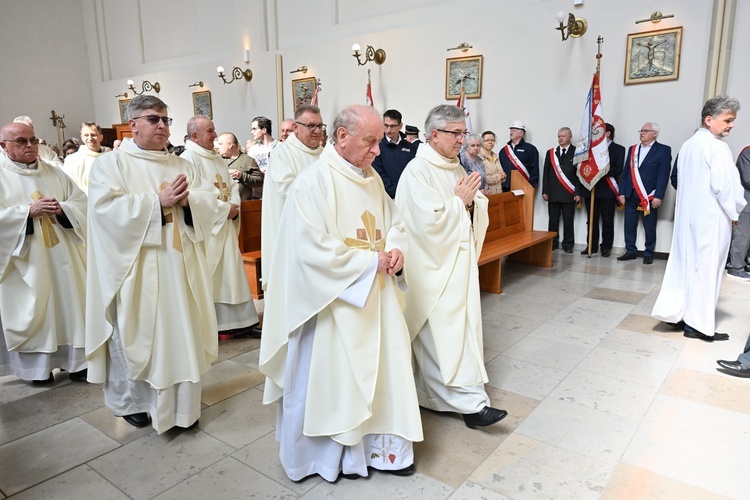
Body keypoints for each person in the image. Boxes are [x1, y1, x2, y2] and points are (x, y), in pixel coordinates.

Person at [259, 104, 423, 482]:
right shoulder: (313, 182)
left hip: (377, 298)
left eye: (379, 141)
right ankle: (334, 457)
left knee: (384, 373)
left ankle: (385, 453)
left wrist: (397, 250)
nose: (377, 151)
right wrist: (368, 264)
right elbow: (307, 249)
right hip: (333, 305)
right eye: (370, 141)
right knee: (337, 380)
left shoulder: (372, 180)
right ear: (343, 136)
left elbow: (395, 222)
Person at [86, 95, 224, 432]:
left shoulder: (183, 165)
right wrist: (155, 203)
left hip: (183, 269)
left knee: (182, 334)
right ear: (133, 124)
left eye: (165, 119)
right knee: (140, 336)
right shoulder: (111, 165)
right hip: (138, 272)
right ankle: (135, 403)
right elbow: (104, 213)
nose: (162, 125)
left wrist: (190, 202)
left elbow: (210, 201)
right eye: (152, 119)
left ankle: (183, 409)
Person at [395, 104, 508, 430]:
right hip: (433, 270)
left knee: (459, 334)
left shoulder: (454, 167)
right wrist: (459, 204)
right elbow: (424, 225)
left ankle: (457, 398)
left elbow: (468, 206)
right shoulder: (418, 172)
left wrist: (471, 203)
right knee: (441, 337)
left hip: (457, 266)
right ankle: (470, 405)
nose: (463, 139)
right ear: (434, 134)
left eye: (463, 132)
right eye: (456, 133)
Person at [0, 122, 88, 384]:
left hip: (63, 258)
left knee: (69, 306)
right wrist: (26, 212)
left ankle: (77, 363)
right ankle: (39, 369)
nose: (30, 146)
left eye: (33, 140)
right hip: (25, 262)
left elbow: (81, 201)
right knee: (37, 311)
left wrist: (64, 210)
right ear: (3, 146)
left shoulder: (54, 172)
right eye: (21, 141)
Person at [652, 95, 744, 342]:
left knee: (685, 265)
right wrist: (735, 213)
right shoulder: (716, 147)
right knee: (707, 269)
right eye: (728, 120)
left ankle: (678, 314)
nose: (731, 125)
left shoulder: (689, 144)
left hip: (688, 218)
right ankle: (699, 325)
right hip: (711, 218)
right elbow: (725, 186)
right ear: (709, 119)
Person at [180, 116, 262, 339]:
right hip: (209, 229)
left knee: (232, 274)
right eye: (210, 131)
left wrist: (233, 205)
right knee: (213, 278)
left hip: (226, 223)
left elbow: (231, 185)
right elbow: (193, 196)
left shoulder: (216, 158)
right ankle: (214, 325)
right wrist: (224, 210)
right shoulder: (188, 160)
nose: (214, 135)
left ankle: (242, 322)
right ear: (195, 135)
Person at [261, 104, 324, 292]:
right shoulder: (283, 153)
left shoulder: (325, 154)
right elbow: (288, 189)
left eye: (320, 126)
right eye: (311, 126)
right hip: (293, 232)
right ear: (296, 127)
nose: (316, 131)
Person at [617, 122, 672, 265]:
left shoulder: (663, 150)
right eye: (641, 130)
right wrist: (622, 191)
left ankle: (649, 252)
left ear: (654, 134)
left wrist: (659, 195)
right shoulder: (633, 149)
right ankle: (630, 251)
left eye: (646, 131)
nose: (642, 133)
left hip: (649, 196)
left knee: (649, 226)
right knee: (629, 225)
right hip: (631, 193)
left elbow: (663, 175)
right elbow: (626, 172)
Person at [578, 123, 625, 257]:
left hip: (607, 190)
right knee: (591, 221)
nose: (594, 134)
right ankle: (591, 246)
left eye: (598, 131)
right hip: (591, 189)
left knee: (607, 221)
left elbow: (618, 169)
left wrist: (600, 170)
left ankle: (606, 247)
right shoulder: (590, 149)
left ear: (608, 133)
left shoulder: (619, 149)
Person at [542, 127, 580, 253]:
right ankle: (553, 243)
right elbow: (546, 172)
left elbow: (580, 174)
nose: (561, 138)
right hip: (553, 192)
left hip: (569, 193)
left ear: (570, 136)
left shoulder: (577, 152)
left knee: (568, 220)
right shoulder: (551, 152)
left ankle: (568, 244)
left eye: (563, 136)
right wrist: (545, 190)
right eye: (559, 136)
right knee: (553, 220)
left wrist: (578, 192)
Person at [371, 109, 417, 198]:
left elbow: (414, 172)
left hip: (408, 196)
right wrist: (396, 192)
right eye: (386, 125)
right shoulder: (377, 147)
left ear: (400, 126)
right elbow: (379, 174)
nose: (388, 130)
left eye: (392, 126)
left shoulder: (411, 148)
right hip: (387, 197)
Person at [725, 145, 750, 280]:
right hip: (746, 203)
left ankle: (745, 265)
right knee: (742, 237)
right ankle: (735, 268)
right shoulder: (748, 152)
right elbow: (747, 179)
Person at [62, 122, 109, 193]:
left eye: (93, 135)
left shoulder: (110, 157)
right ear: (82, 138)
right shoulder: (72, 160)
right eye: (86, 135)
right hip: (86, 201)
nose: (90, 138)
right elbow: (69, 188)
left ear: (101, 137)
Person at [217, 132, 263, 201]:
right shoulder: (217, 160)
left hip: (242, 205)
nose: (218, 147)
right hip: (222, 205)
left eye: (220, 144)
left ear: (230, 145)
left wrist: (241, 176)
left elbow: (259, 181)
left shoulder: (248, 160)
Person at [498, 120, 539, 190]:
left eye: (514, 130)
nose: (511, 133)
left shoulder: (530, 149)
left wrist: (531, 186)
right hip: (505, 188)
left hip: (523, 187)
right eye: (511, 130)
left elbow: (534, 170)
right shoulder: (503, 151)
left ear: (521, 133)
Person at [478, 130, 506, 195]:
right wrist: (498, 176)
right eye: (487, 140)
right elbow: (482, 179)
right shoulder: (478, 157)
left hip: (498, 193)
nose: (490, 142)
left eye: (492, 140)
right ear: (481, 142)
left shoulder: (495, 156)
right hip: (486, 194)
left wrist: (503, 176)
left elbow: (502, 174)